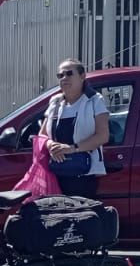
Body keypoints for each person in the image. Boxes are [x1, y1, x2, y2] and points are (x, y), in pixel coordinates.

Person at [39, 58, 111, 199]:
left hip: (83, 174)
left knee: (80, 217)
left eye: (69, 74)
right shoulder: (55, 102)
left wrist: (72, 148)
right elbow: (42, 135)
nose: (64, 78)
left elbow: (103, 136)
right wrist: (51, 145)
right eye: (60, 75)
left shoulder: (95, 100)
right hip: (57, 173)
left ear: (82, 76)